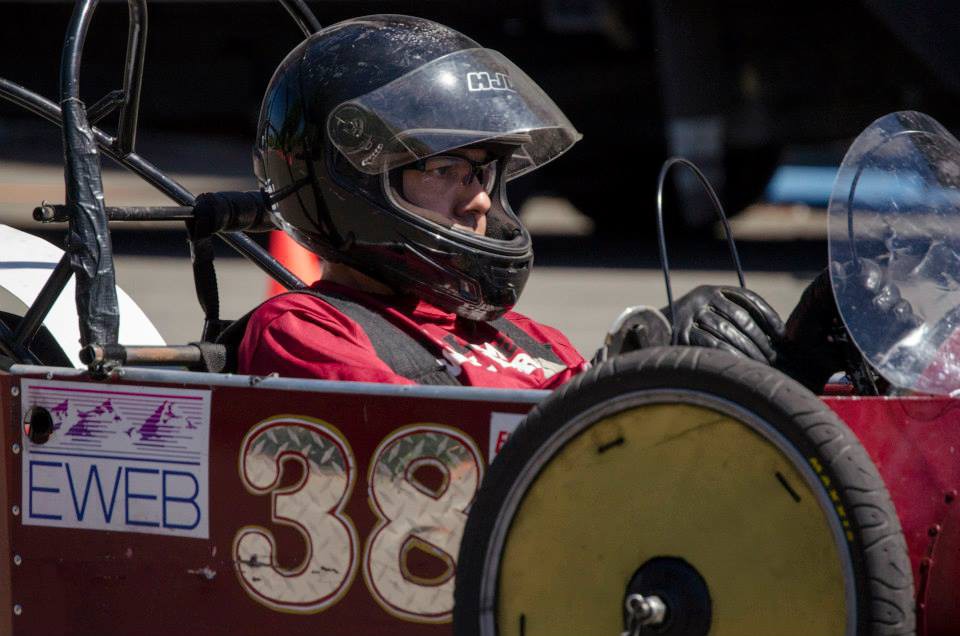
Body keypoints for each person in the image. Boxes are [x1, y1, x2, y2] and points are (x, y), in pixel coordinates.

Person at [236, 14, 802, 390]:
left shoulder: (530, 336)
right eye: (446, 170)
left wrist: (794, 358)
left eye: (482, 172)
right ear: (355, 183)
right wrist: (630, 374)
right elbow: (426, 452)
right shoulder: (305, 330)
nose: (480, 200)